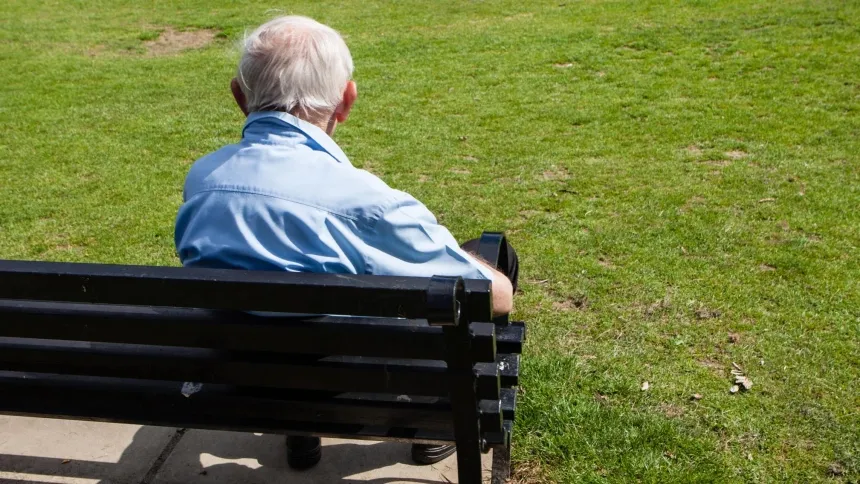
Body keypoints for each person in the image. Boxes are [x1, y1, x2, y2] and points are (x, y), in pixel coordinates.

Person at [174, 15, 517, 470]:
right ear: (346, 100)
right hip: (351, 384)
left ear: (239, 96)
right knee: (493, 256)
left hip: (239, 375)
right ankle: (436, 427)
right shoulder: (364, 202)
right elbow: (495, 297)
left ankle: (300, 434)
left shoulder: (203, 180)